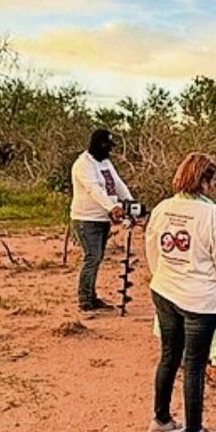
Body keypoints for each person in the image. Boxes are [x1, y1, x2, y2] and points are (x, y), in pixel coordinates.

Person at [144, 152, 216, 432]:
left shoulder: (163, 208)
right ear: (205, 180)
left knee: (169, 356)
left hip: (164, 290)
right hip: (200, 299)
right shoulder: (212, 214)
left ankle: (160, 421)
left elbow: (151, 248)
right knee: (194, 364)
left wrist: (163, 275)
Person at [70, 128, 136, 311]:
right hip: (86, 218)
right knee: (92, 257)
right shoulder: (83, 164)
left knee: (97, 258)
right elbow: (94, 189)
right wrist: (112, 207)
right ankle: (85, 299)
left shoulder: (105, 163)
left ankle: (92, 297)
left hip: (102, 219)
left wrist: (130, 203)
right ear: (99, 145)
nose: (110, 150)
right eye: (107, 145)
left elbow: (118, 184)